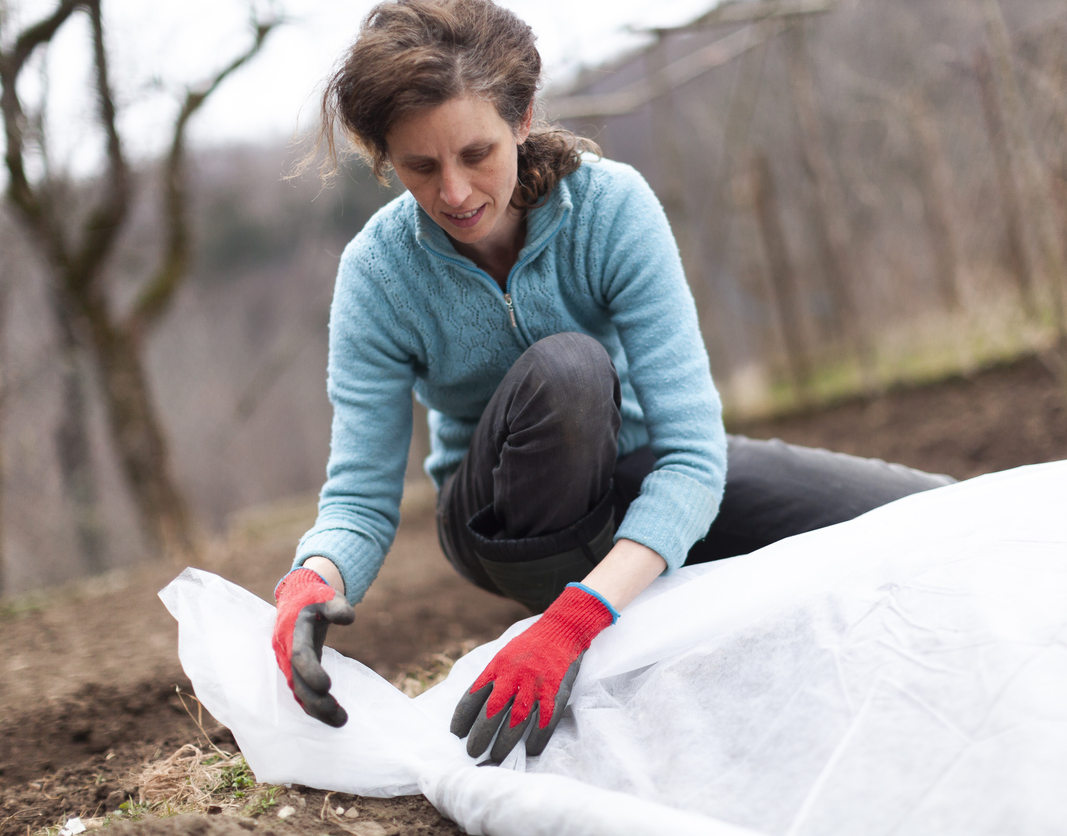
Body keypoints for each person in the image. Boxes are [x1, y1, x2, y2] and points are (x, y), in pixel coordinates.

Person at [271, 0, 953, 764]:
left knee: (931, 515)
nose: (455, 193)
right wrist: (311, 578)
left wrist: (574, 622)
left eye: (476, 153)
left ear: (523, 117)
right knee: (570, 370)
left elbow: (694, 457)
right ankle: (615, 604)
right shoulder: (377, 275)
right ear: (385, 155)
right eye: (420, 167)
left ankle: (614, 592)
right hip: (499, 517)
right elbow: (361, 497)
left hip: (632, 477)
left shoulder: (611, 208)